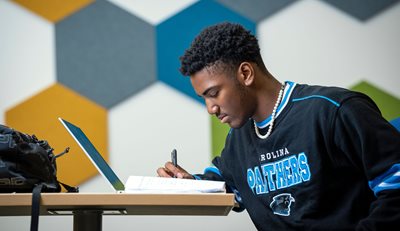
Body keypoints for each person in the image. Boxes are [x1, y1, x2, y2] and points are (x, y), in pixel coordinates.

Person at [157, 22, 400, 230]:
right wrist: (186, 183)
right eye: (205, 99)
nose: (211, 108)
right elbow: (229, 187)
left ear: (245, 73)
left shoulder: (333, 110)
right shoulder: (238, 139)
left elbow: (395, 185)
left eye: (214, 93)